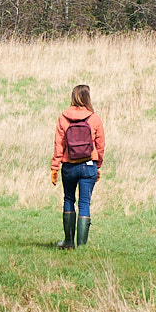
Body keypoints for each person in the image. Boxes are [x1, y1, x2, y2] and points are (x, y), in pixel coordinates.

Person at [47, 84, 105, 249]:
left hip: (69, 166)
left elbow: (59, 145)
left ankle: (68, 241)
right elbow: (100, 145)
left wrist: (55, 167)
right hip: (89, 165)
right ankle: (82, 245)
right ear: (88, 98)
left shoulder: (63, 118)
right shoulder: (94, 118)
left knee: (69, 199)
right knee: (84, 203)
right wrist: (98, 165)